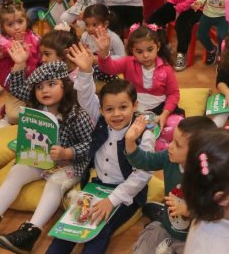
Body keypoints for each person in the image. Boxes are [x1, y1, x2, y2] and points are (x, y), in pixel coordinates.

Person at [0, 61, 93, 253]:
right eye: (39, 87)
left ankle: (31, 232)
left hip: (71, 163)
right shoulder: (37, 107)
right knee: (16, 171)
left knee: (55, 183)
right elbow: (15, 88)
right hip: (40, 158)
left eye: (51, 84)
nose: (44, 90)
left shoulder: (77, 114)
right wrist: (19, 64)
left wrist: (68, 152)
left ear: (65, 85)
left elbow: (90, 145)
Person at [45, 73, 154, 253]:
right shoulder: (100, 121)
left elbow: (142, 174)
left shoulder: (145, 134)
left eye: (123, 107)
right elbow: (87, 97)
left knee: (99, 227)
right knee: (68, 226)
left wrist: (111, 201)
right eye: (109, 109)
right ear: (102, 111)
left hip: (126, 194)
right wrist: (86, 71)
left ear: (135, 106)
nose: (116, 114)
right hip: (97, 186)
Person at [126, 115, 217, 254]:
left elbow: (214, 213)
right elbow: (145, 161)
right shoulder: (169, 157)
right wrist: (130, 141)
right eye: (172, 140)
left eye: (177, 144)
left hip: (193, 238)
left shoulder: (209, 177)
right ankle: (159, 212)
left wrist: (189, 210)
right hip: (167, 226)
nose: (170, 145)